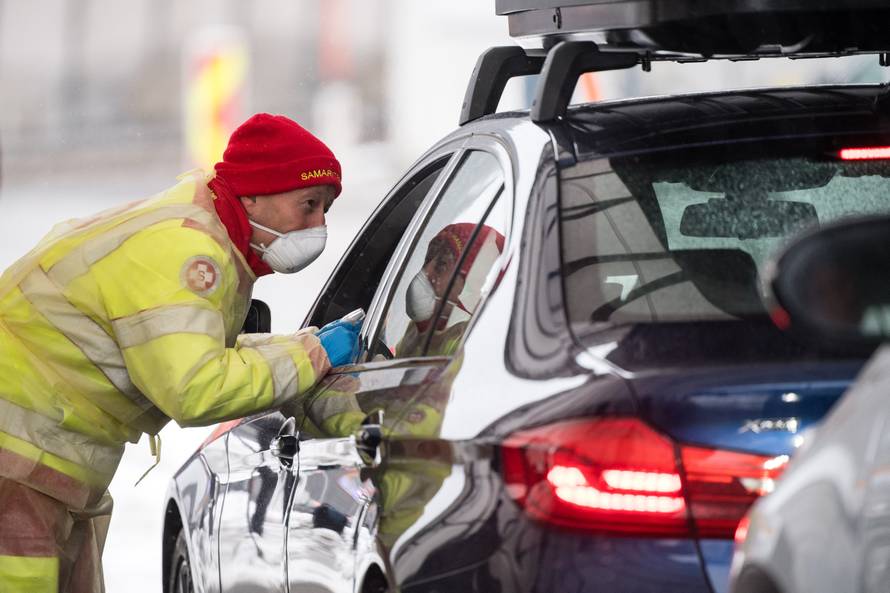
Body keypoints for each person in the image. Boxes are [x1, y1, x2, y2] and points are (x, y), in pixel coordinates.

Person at [0, 113, 361, 593]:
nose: (318, 226)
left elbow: (193, 350)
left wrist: (301, 345)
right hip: (21, 459)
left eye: (326, 210)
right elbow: (194, 389)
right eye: (308, 205)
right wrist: (312, 358)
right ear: (254, 194)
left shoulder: (204, 226)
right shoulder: (188, 253)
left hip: (42, 457)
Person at [396, 222, 505, 357]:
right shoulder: (415, 330)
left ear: (467, 286)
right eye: (429, 258)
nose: (426, 272)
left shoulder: (470, 344)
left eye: (441, 265)